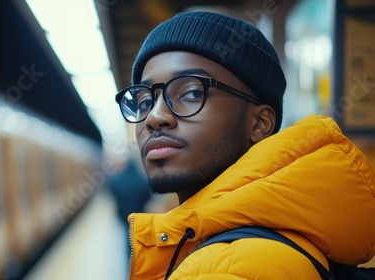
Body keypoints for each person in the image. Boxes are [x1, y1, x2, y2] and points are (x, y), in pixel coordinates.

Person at [114, 11, 375, 279]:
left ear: (260, 123)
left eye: (191, 92)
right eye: (145, 101)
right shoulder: (277, 236)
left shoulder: (226, 267)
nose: (155, 117)